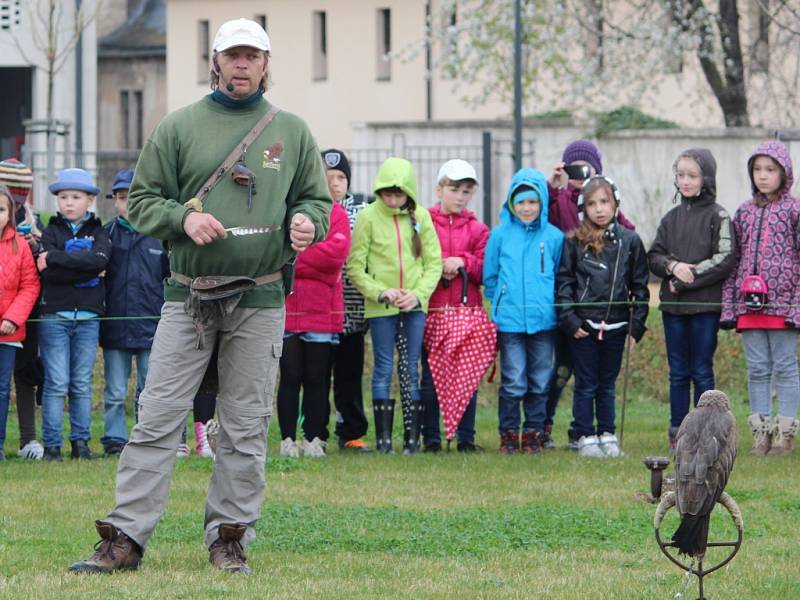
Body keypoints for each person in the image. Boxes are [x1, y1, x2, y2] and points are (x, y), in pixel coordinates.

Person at [69, 18, 331, 575]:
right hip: (186, 298)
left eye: (252, 56)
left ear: (266, 64)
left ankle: (228, 539)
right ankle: (125, 540)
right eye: (232, 55)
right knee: (156, 418)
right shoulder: (179, 126)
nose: (242, 64)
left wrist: (308, 222)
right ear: (215, 62)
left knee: (245, 424)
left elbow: (317, 201)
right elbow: (140, 201)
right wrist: (183, 220)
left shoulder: (293, 131)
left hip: (260, 300)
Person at [347, 157, 442, 455]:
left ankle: (411, 441)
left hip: (413, 306)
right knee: (383, 368)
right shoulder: (367, 218)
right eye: (387, 194)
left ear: (409, 193)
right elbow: (355, 267)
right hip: (381, 308)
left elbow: (433, 263)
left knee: (410, 367)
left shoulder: (422, 218)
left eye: (398, 195)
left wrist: (417, 295)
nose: (392, 200)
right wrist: (380, 292)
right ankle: (384, 441)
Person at [545, 139, 635, 449]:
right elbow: (536, 217)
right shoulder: (557, 200)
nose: (579, 176)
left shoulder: (605, 201)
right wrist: (551, 187)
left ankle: (597, 432)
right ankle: (552, 428)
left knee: (601, 379)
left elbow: (626, 236)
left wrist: (599, 187)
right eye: (574, 169)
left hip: (607, 316)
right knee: (563, 372)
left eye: (586, 168)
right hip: (571, 310)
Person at [647, 149, 736, 451]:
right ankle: (678, 431)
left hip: (705, 308)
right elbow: (654, 256)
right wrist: (673, 268)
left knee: (701, 369)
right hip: (673, 308)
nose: (684, 181)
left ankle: (708, 433)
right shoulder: (670, 218)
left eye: (692, 175)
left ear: (706, 178)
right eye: (680, 175)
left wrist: (691, 275)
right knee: (678, 371)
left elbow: (725, 257)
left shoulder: (718, 215)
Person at [557, 176, 649, 458]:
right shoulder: (574, 241)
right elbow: (564, 283)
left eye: (605, 202)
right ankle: (585, 435)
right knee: (586, 383)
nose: (599, 209)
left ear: (615, 204)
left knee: (607, 384)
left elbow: (640, 287)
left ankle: (607, 434)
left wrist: (635, 328)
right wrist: (571, 321)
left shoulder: (630, 242)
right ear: (584, 208)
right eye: (593, 203)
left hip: (617, 326)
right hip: (584, 327)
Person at [720, 140, 800, 456]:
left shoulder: (795, 210)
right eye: (757, 169)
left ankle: (786, 432)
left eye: (770, 169)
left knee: (785, 366)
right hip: (750, 305)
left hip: (783, 305)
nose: (763, 176)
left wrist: (796, 304)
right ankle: (761, 432)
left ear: (784, 173)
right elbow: (733, 260)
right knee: (757, 368)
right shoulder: (744, 212)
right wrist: (731, 304)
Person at [484, 168, 563, 454]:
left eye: (533, 202)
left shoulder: (554, 237)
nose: (527, 208)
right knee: (514, 380)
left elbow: (559, 275)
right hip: (510, 323)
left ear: (542, 202)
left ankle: (533, 433)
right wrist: (500, 304)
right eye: (521, 202)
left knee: (540, 380)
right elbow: (490, 277)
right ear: (511, 203)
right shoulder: (500, 235)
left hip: (544, 322)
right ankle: (507, 434)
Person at [420, 159, 494, 453]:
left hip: (466, 313)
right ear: (440, 189)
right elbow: (417, 258)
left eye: (466, 191)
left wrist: (464, 262)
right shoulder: (424, 222)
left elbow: (485, 269)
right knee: (430, 378)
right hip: (433, 310)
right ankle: (431, 437)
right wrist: (437, 265)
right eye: (454, 189)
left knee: (466, 376)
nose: (460, 196)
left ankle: (466, 437)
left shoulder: (478, 229)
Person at [37, 168, 110, 462]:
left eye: (75, 197)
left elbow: (100, 261)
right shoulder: (49, 231)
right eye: (63, 197)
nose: (68, 203)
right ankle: (52, 446)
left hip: (88, 317)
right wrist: (85, 266)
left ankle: (80, 443)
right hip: (54, 316)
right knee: (55, 382)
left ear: (90, 200)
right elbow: (47, 274)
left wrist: (55, 259)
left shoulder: (100, 232)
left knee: (80, 383)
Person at [100, 168, 169, 457]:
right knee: (115, 391)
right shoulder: (106, 234)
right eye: (121, 198)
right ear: (114, 201)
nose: (126, 204)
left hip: (151, 325)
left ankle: (147, 436)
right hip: (115, 325)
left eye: (132, 197)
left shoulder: (159, 235)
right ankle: (114, 438)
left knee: (148, 388)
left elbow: (170, 277)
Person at [277, 185, 350, 458]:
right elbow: (280, 255)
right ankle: (287, 439)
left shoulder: (337, 213)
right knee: (290, 376)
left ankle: (314, 438)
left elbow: (336, 257)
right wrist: (314, 259)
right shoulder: (285, 211)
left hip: (323, 310)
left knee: (317, 378)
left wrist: (298, 257)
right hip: (287, 307)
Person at [321, 149, 371, 452]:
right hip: (320, 310)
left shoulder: (363, 210)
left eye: (341, 177)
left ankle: (351, 431)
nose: (335, 184)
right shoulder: (309, 209)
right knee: (315, 375)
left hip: (353, 310)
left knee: (349, 376)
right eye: (329, 178)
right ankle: (315, 430)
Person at [0, 158, 45, 459]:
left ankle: (9, 442)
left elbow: (30, 284)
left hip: (11, 329)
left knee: (8, 387)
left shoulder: (24, 242)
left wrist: (13, 318)